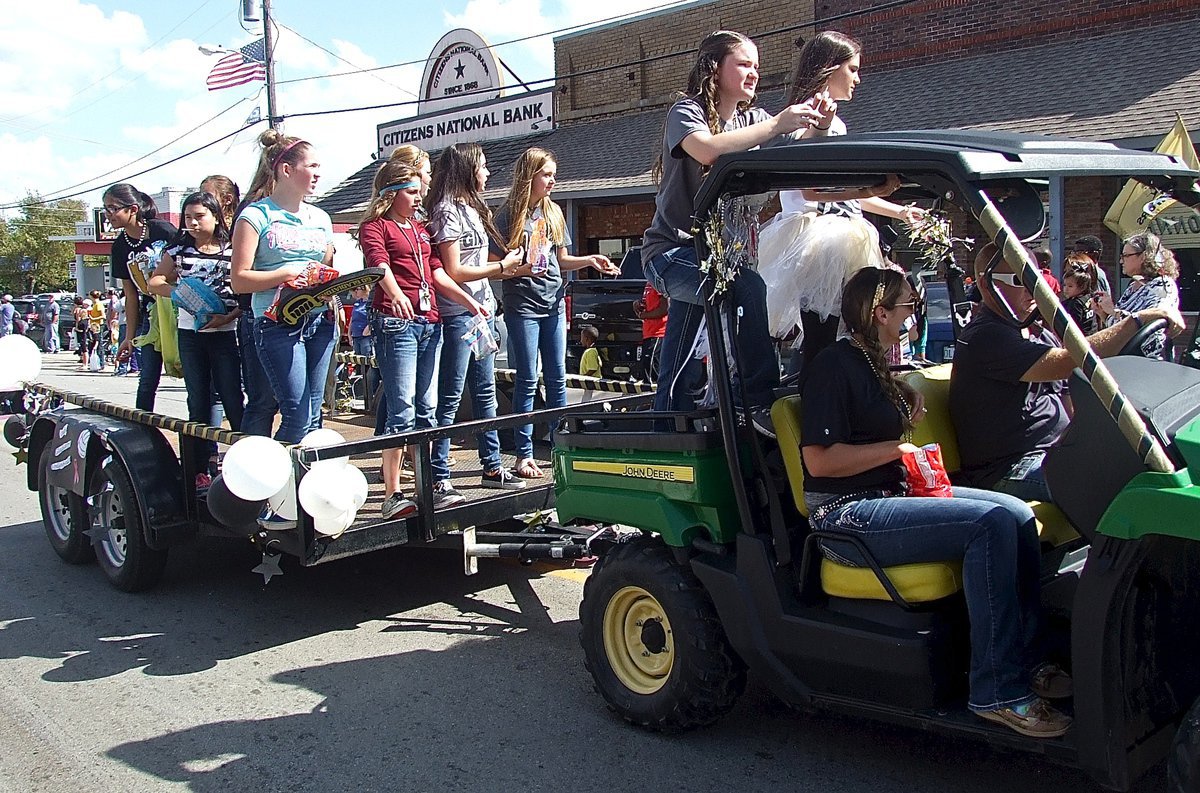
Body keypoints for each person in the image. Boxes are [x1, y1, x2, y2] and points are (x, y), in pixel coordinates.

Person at [802, 266, 1071, 737]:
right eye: (908, 306)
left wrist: (904, 407)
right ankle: (997, 692)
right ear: (880, 312)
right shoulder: (833, 364)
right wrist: (896, 447)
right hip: (847, 516)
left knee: (1014, 514)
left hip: (890, 497)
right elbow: (820, 462)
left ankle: (1027, 661)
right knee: (989, 522)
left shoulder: (874, 360)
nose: (914, 314)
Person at [642, 30, 823, 419]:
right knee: (748, 287)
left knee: (679, 353)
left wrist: (818, 123)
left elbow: (802, 148)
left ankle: (667, 427)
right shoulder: (686, 114)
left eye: (757, 66)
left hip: (720, 258)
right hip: (673, 254)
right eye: (744, 64)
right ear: (714, 68)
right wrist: (776, 125)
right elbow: (707, 149)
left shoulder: (754, 120)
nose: (754, 73)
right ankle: (756, 398)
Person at [949, 243, 1184, 499]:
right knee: (1122, 488)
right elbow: (1068, 361)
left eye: (1035, 278)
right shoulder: (986, 336)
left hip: (1057, 451)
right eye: (1020, 279)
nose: (1032, 289)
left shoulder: (1036, 332)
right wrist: (1136, 321)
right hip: (1010, 467)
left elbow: (1069, 398)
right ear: (986, 285)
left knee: (1157, 459)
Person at [758, 31, 922, 367]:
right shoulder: (803, 120)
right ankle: (817, 402)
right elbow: (814, 190)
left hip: (842, 232)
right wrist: (869, 189)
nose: (858, 79)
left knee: (845, 330)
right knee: (823, 332)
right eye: (852, 69)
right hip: (819, 240)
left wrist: (899, 210)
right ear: (830, 69)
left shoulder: (836, 125)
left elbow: (848, 198)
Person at [357, 157, 493, 517]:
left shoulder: (420, 230)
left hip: (429, 322)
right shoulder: (376, 226)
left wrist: (469, 301)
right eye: (413, 192)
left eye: (421, 191)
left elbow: (438, 274)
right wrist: (395, 292)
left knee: (427, 410)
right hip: (395, 322)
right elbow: (377, 263)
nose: (420, 198)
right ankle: (393, 493)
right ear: (391, 192)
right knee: (401, 409)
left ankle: (426, 486)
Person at [493, 147, 620, 478]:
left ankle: (562, 445)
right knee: (526, 378)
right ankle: (523, 454)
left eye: (553, 174)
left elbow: (560, 260)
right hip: (523, 305)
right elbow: (494, 268)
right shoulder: (507, 214)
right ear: (530, 175)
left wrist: (590, 260)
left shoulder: (554, 213)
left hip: (552, 303)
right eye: (546, 174)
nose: (552, 180)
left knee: (557, 377)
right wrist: (521, 270)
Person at [426, 142, 531, 502]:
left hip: (483, 311)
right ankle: (439, 476)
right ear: (467, 169)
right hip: (457, 314)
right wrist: (502, 268)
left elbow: (477, 259)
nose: (487, 173)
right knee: (451, 396)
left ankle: (491, 464)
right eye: (483, 167)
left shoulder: (474, 208)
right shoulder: (445, 211)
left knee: (486, 392)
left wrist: (511, 261)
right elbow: (453, 269)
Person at [230, 130, 335, 446]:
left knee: (315, 415)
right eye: (312, 166)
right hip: (276, 324)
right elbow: (239, 279)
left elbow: (326, 268)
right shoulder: (254, 215)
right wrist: (285, 273)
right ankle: (275, 487)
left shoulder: (321, 217)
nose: (318, 173)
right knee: (297, 414)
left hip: (319, 322)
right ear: (286, 170)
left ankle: (304, 489)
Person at [147, 191, 243, 492]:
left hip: (227, 333)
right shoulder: (178, 250)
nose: (193, 222)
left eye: (199, 216)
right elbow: (155, 281)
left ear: (216, 216)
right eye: (187, 217)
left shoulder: (233, 248)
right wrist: (182, 294)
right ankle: (202, 468)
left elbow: (244, 293)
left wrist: (228, 316)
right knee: (198, 401)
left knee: (232, 398)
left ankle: (243, 463)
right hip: (191, 334)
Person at [104, 183, 176, 410]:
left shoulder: (162, 230)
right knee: (147, 379)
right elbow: (130, 294)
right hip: (151, 313)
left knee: (195, 378)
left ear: (132, 209)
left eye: (113, 208)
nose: (109, 215)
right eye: (106, 209)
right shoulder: (119, 247)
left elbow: (187, 263)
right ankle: (141, 435)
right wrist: (130, 337)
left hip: (179, 308)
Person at [1094, 232, 1180, 360]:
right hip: (1124, 358)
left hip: (1149, 362)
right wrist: (1104, 313)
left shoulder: (1162, 286)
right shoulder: (1133, 286)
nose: (1121, 260)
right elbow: (1118, 327)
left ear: (1144, 256)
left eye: (1126, 256)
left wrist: (1112, 310)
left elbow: (1151, 323)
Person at [633, 282, 668, 382]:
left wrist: (644, 315)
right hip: (649, 332)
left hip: (658, 332)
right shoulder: (649, 283)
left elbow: (664, 309)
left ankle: (653, 395)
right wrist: (638, 304)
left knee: (652, 367)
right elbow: (650, 304)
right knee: (646, 365)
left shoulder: (659, 282)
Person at [1059, 254, 1097, 335]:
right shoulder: (1090, 297)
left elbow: (1072, 326)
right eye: (1064, 285)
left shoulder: (1075, 304)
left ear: (1082, 286)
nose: (1066, 289)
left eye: (1070, 286)